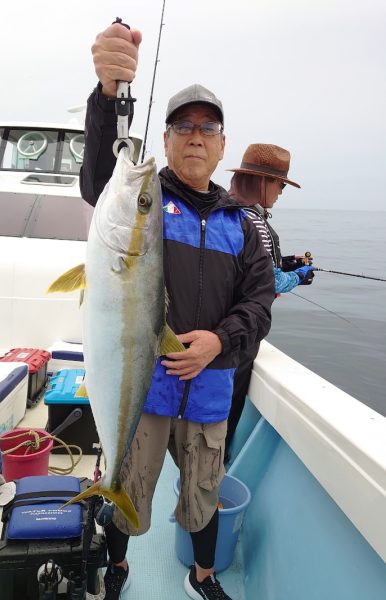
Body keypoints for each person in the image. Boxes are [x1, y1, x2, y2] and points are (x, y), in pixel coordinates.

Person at [80, 22, 275, 600]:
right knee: (128, 492)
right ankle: (117, 570)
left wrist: (219, 342)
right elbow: (98, 178)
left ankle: (202, 575)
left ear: (221, 144)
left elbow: (259, 304)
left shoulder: (245, 226)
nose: (195, 136)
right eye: (182, 126)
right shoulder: (142, 199)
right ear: (164, 141)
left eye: (207, 128)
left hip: (211, 389)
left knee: (203, 496)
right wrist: (109, 94)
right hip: (147, 392)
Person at [224, 144, 315, 456]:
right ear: (263, 182)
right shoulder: (255, 222)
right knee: (226, 420)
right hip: (240, 336)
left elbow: (246, 266)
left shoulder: (230, 212)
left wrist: (287, 262)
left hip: (223, 328)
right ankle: (211, 483)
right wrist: (299, 275)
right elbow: (268, 281)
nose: (280, 192)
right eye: (280, 185)